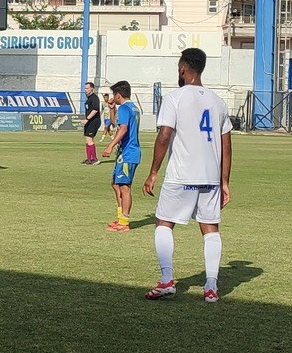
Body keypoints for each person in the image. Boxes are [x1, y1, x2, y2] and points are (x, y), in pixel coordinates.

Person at [141, 48, 233, 302]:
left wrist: (152, 173)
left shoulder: (174, 98)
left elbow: (164, 135)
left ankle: (167, 280)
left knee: (163, 223)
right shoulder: (218, 101)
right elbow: (227, 145)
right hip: (210, 178)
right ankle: (211, 286)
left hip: (181, 175)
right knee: (210, 229)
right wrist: (224, 182)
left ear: (183, 68)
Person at [103, 80, 141, 231]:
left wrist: (110, 146)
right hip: (126, 153)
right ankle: (121, 218)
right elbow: (116, 123)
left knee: (124, 187)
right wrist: (112, 109)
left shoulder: (125, 108)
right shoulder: (134, 108)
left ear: (118, 95)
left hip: (128, 153)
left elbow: (123, 129)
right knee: (115, 183)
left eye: (114, 95)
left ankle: (124, 222)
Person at [81, 82, 102, 165]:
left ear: (92, 88)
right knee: (88, 139)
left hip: (94, 121)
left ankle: (94, 159)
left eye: (87, 88)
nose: (85, 90)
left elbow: (95, 109)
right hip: (90, 121)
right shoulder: (89, 98)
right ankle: (89, 158)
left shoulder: (94, 98)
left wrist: (87, 119)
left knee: (89, 139)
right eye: (85, 88)